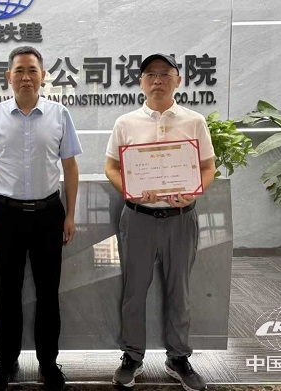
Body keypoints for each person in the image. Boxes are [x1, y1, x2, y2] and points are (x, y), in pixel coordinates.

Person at [0, 46, 82, 391]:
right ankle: (7, 362)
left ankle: (49, 363)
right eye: (19, 70)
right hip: (6, 215)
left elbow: (70, 166)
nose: (26, 77)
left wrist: (70, 214)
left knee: (49, 293)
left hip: (49, 215)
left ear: (43, 75)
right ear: (8, 76)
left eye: (32, 70)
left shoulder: (60, 114)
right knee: (9, 293)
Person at [104, 53, 215, 391]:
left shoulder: (194, 121)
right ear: (140, 82)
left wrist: (194, 191)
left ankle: (178, 357)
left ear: (178, 80)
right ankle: (132, 356)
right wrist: (132, 190)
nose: (157, 80)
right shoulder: (126, 123)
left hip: (181, 219)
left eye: (165, 73)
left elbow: (208, 167)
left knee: (179, 291)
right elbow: (111, 167)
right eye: (150, 74)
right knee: (134, 291)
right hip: (138, 218)